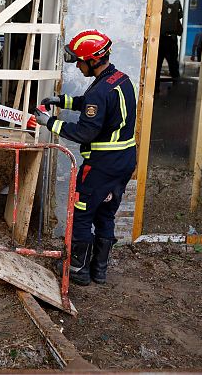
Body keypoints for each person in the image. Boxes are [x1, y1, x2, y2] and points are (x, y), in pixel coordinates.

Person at [33, 29, 136, 286]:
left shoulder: (98, 92)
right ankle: (99, 270)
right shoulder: (119, 80)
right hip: (124, 162)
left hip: (101, 165)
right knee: (105, 214)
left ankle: (78, 269)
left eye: (80, 61)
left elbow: (85, 131)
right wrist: (63, 100)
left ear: (93, 59)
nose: (77, 66)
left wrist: (50, 123)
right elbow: (95, 105)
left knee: (81, 215)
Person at [156, 0, 183, 88]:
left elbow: (179, 31)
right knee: (170, 66)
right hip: (168, 42)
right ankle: (175, 86)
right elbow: (180, 31)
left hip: (166, 42)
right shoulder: (165, 19)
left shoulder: (165, 19)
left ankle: (175, 85)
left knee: (170, 66)